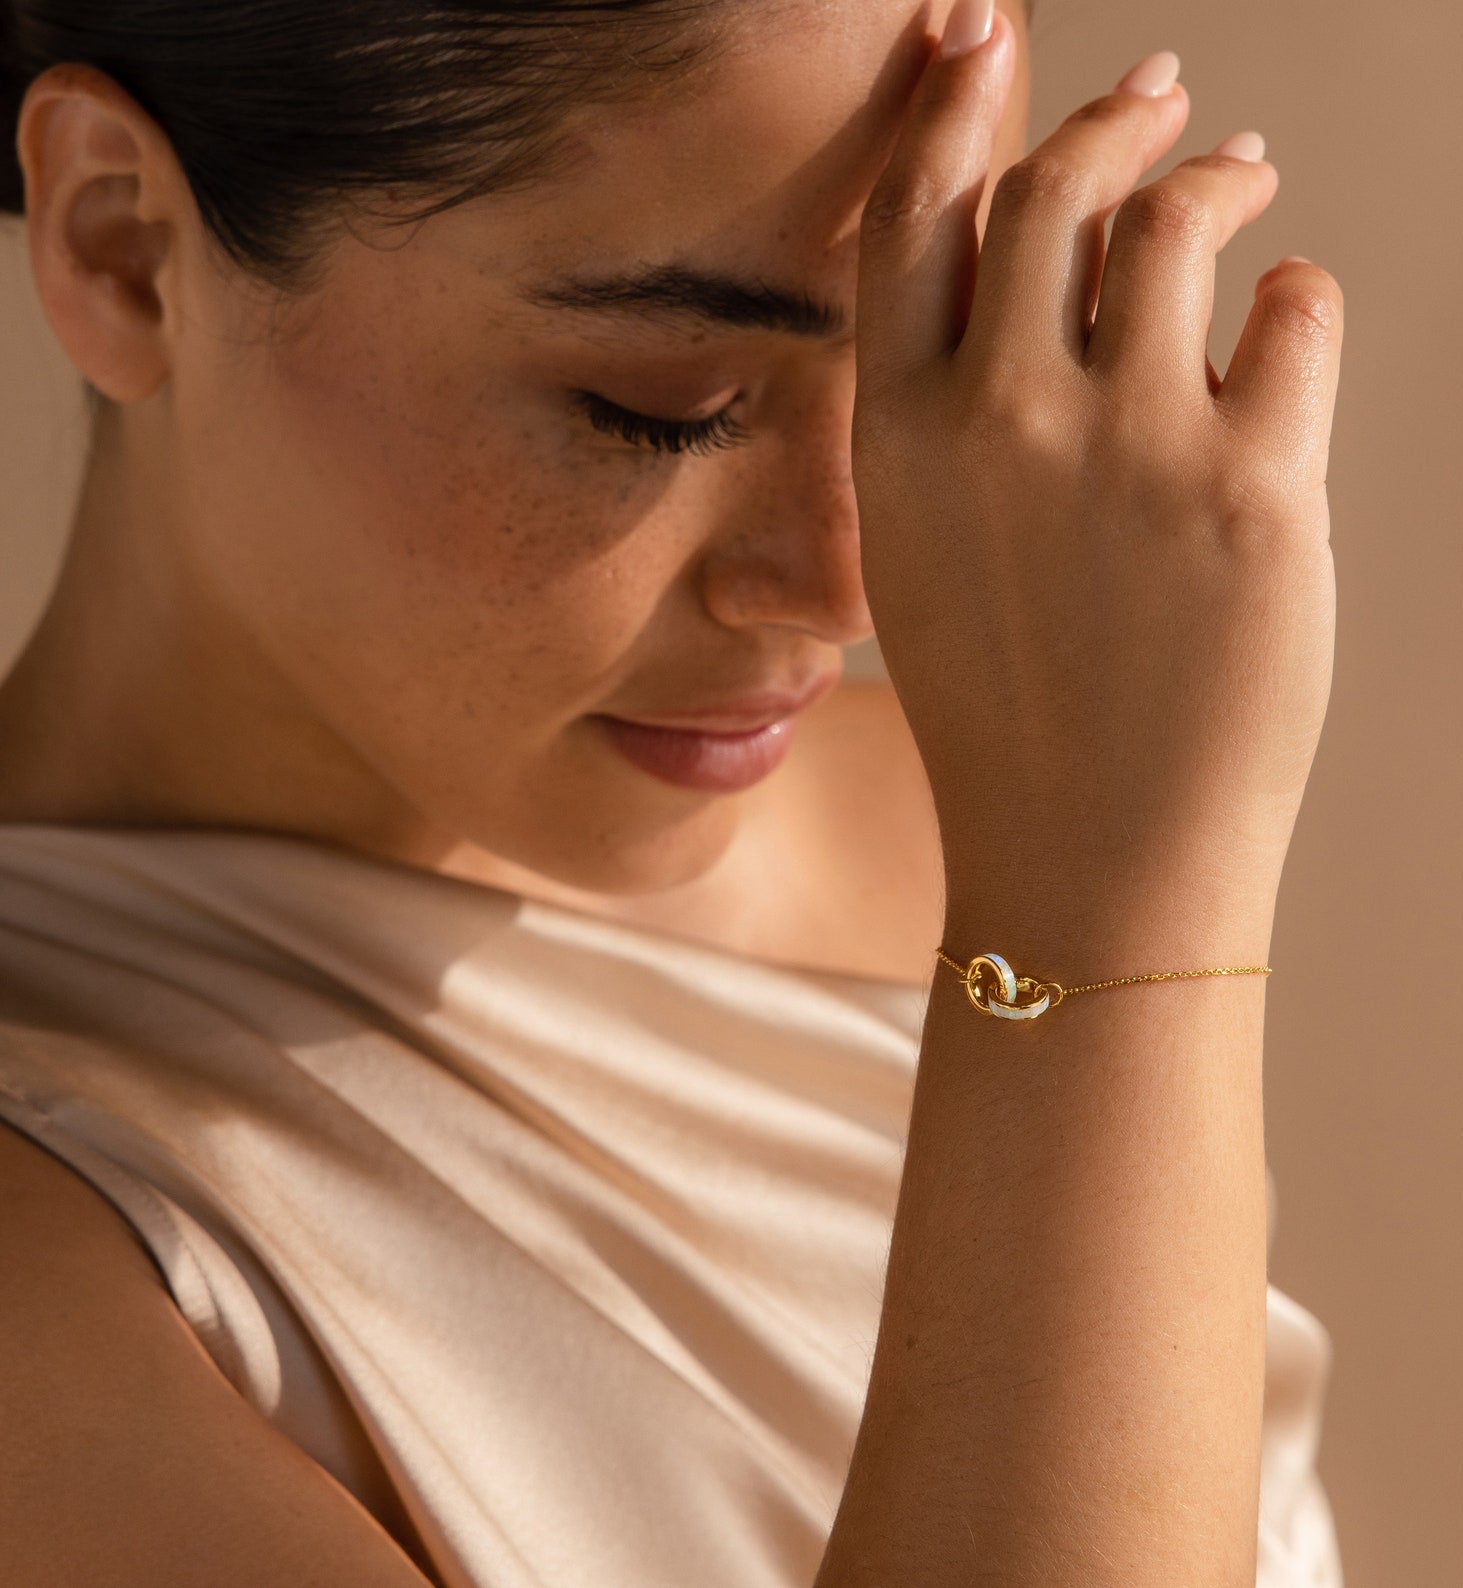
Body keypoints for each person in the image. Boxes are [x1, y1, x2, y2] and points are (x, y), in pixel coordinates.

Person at [0, 0, 1345, 1583]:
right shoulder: (1067, 882)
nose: (851, 587)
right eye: (668, 402)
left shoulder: (989, 830)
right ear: (121, 246)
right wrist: (1107, 928)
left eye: (929, 357)